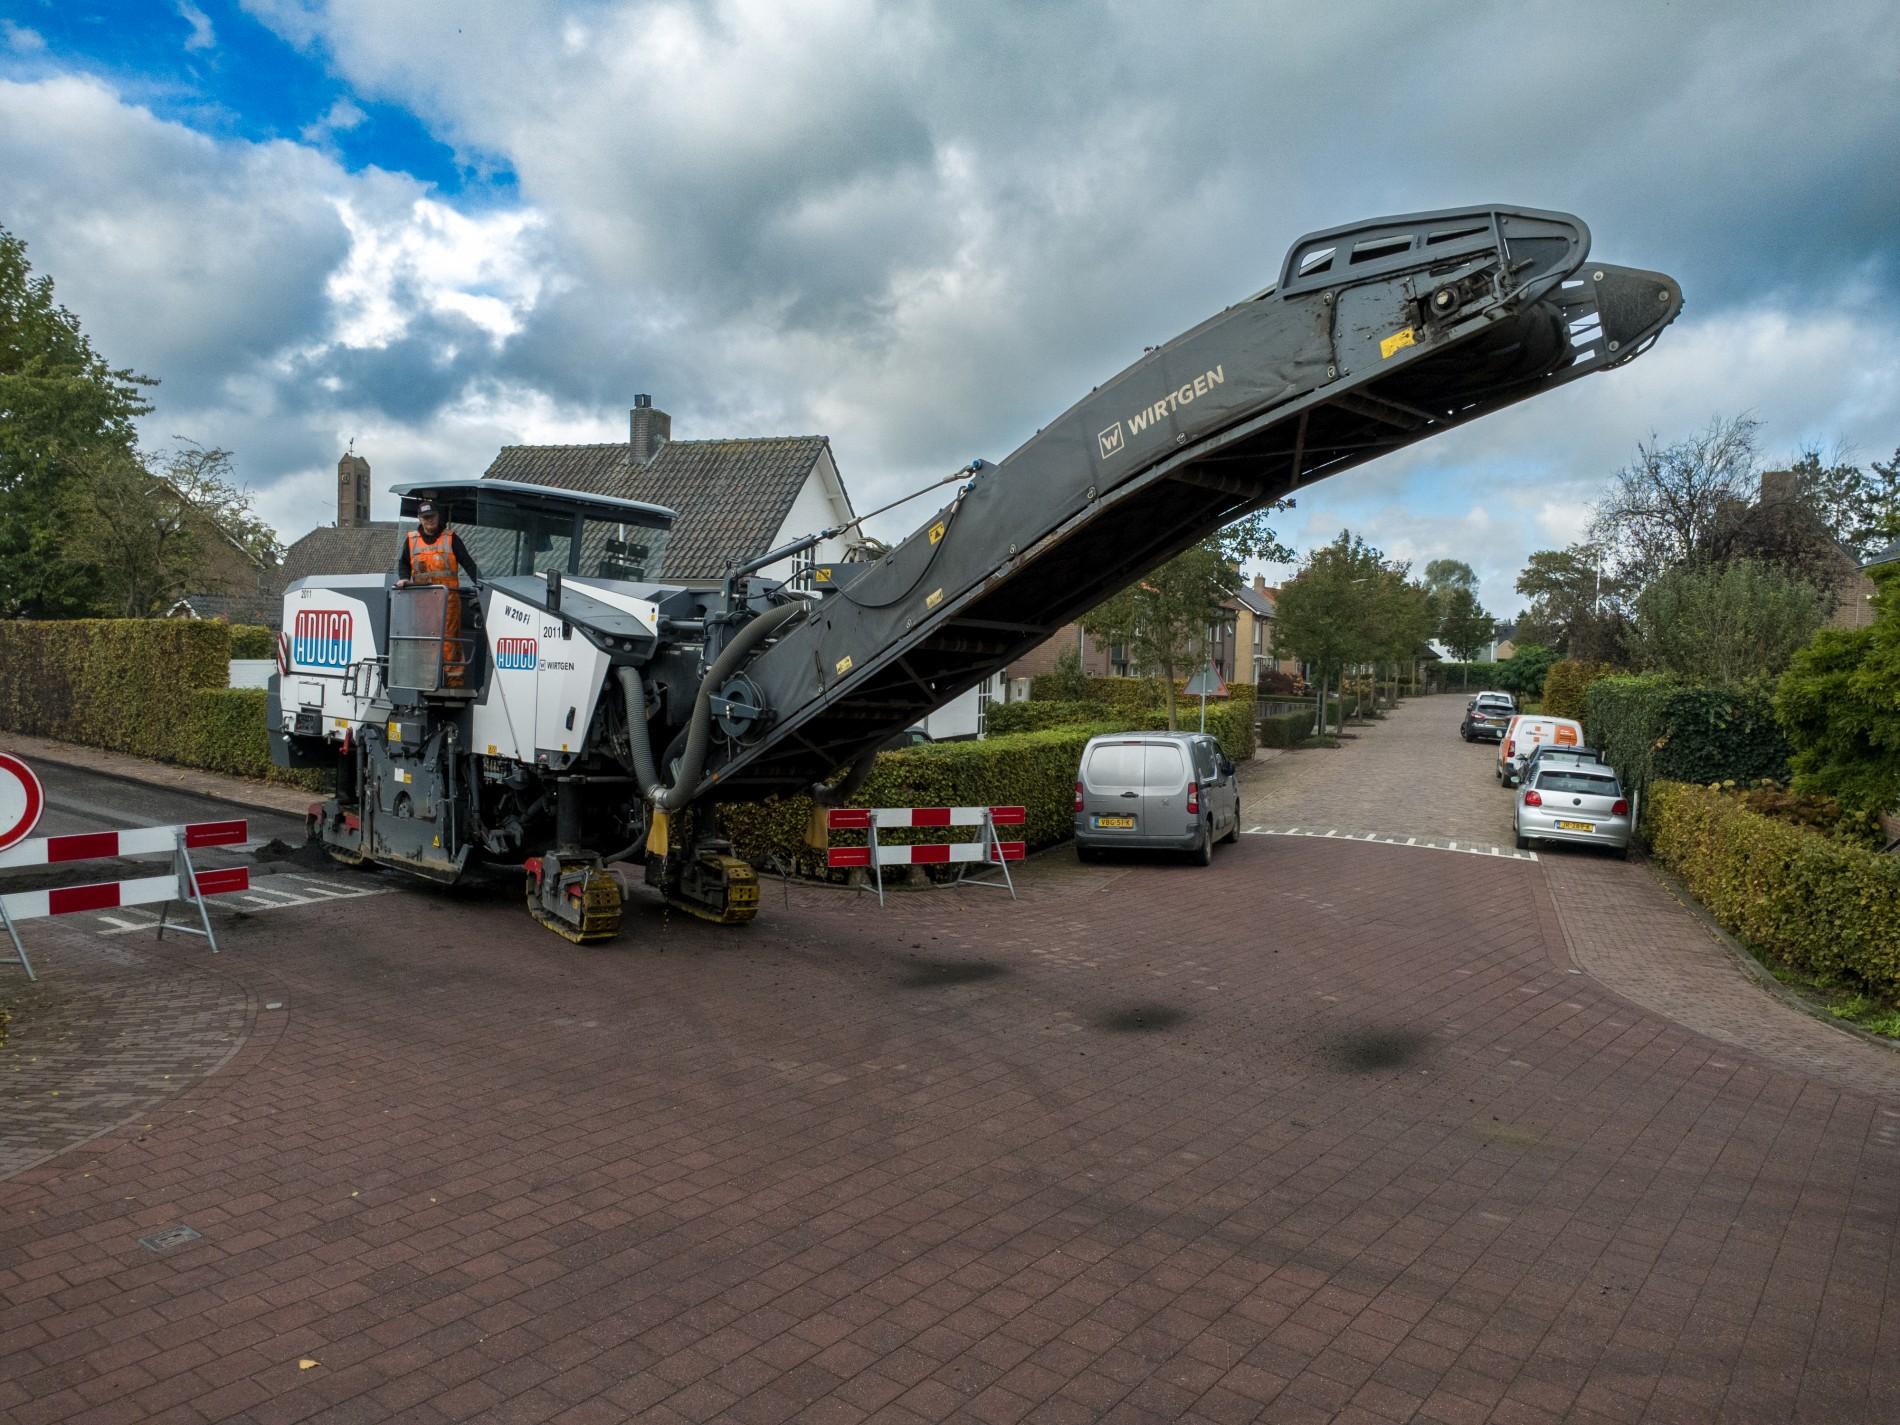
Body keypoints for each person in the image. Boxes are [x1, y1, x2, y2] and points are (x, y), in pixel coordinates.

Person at [394, 500, 480, 687]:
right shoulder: (411, 540)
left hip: (448, 602)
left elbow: (469, 564)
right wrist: (403, 578)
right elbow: (403, 563)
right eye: (425, 518)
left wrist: (482, 586)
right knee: (425, 641)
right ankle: (426, 679)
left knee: (449, 641)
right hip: (422, 602)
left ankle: (453, 682)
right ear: (420, 519)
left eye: (432, 517)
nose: (429, 521)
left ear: (438, 516)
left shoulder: (451, 539)